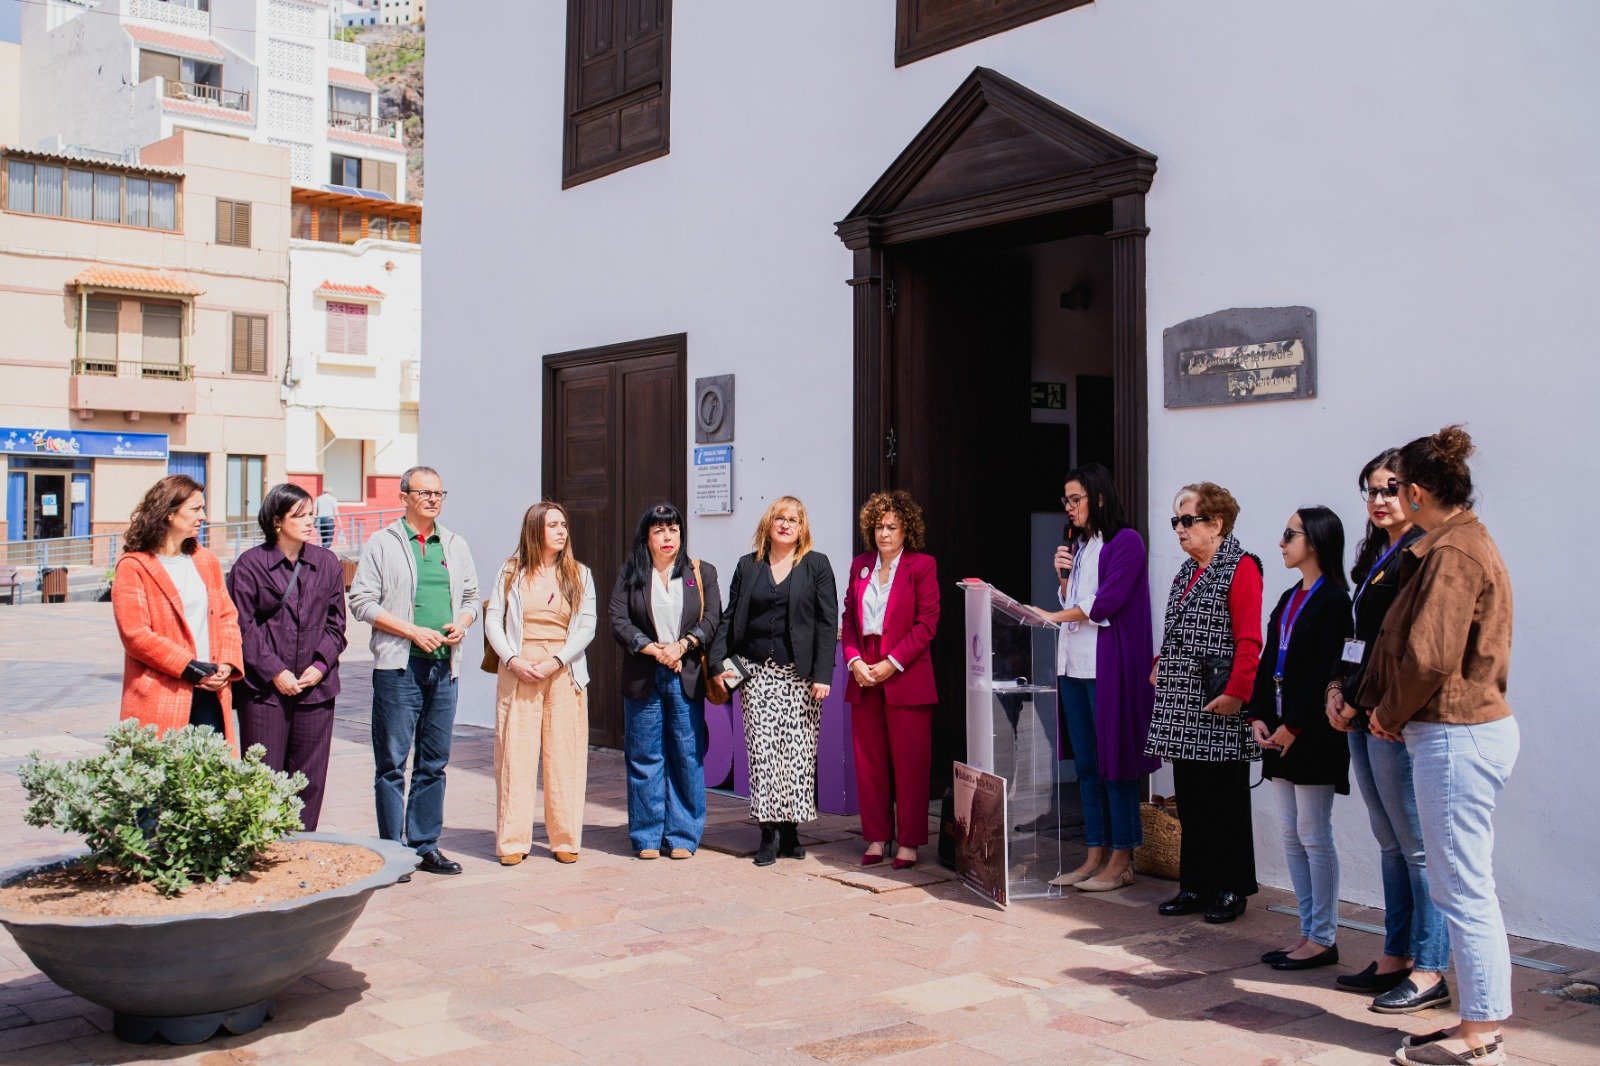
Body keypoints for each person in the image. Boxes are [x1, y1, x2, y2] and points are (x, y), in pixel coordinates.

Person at [1357, 426, 1516, 1066]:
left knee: (1463, 891)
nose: (1390, 497)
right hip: (1455, 733)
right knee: (1463, 887)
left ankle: (1481, 1035)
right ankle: (1479, 1023)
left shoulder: (1454, 551)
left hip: (1455, 734)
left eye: (1398, 486)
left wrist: (1387, 715)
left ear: (1418, 492)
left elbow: (1428, 657)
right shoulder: (1450, 544)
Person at [1325, 450, 1447, 1009]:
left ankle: (1431, 967)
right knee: (1391, 843)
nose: (1378, 500)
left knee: (1417, 848)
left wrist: (1373, 706)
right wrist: (1337, 688)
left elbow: (1409, 649)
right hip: (1361, 710)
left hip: (1389, 719)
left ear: (1414, 491)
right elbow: (1359, 638)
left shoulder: (1421, 552)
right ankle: (1396, 955)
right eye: (1371, 490)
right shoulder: (1377, 552)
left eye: (1389, 488)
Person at [1031, 463, 1159, 893]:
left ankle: (1122, 858)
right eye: (1065, 500)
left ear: (1098, 498)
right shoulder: (1081, 545)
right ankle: (1093, 854)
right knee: (1087, 766)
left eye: (1076, 499)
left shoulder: (1126, 542)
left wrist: (1052, 615)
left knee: (1115, 764)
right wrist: (1062, 580)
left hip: (1108, 669)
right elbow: (1077, 599)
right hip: (1073, 667)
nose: (1068, 507)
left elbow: (1105, 602)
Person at [349, 466, 479, 876]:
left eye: (439, 493)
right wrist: (411, 631)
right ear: (404, 496)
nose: (433, 500)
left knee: (434, 762)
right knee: (392, 762)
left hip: (444, 667)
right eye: (425, 493)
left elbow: (472, 596)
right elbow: (361, 602)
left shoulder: (454, 544)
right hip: (399, 667)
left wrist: (463, 622)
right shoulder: (382, 543)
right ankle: (394, 852)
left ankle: (424, 846)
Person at [1144, 482, 1263, 924]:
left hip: (1218, 701)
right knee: (1192, 799)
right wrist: (1160, 662)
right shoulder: (1185, 571)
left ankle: (1232, 886)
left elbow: (1249, 638)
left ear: (1216, 523)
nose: (1179, 528)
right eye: (1175, 521)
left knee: (1225, 800)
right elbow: (1179, 631)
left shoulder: (1241, 566)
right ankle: (1195, 883)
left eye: (1187, 520)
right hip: (1183, 703)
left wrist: (1238, 693)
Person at [1248, 506, 1352, 970]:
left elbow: (1328, 671)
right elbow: (1271, 658)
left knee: (1313, 832)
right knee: (1291, 833)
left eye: (1290, 534)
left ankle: (1323, 937)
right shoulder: (1290, 596)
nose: (1282, 542)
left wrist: (1295, 724)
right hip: (1280, 729)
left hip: (1312, 732)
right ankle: (1307, 931)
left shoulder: (1335, 601)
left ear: (1316, 540)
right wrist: (1258, 715)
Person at [709, 496, 837, 867]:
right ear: (768, 524)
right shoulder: (747, 565)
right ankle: (768, 832)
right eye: (779, 517)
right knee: (764, 754)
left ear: (802, 527)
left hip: (800, 676)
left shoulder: (816, 564)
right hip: (756, 673)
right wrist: (718, 663)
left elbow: (827, 622)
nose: (785, 524)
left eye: (792, 519)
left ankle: (791, 830)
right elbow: (731, 616)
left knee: (797, 755)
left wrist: (823, 675)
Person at [227, 483, 349, 830]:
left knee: (309, 778)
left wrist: (320, 665)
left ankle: (302, 842)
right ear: (277, 521)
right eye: (300, 515)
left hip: (316, 689)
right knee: (263, 774)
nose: (310, 521)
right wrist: (275, 671)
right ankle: (264, 844)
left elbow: (336, 624)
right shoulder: (250, 565)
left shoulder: (326, 563)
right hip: (264, 692)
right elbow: (242, 626)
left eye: (311, 514)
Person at [485, 501, 596, 865]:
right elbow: (494, 620)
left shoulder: (579, 573)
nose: (562, 531)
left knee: (565, 755)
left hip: (563, 669)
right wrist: (512, 659)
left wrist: (555, 660)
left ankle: (564, 838)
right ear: (535, 530)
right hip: (519, 668)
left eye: (563, 524)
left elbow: (587, 625)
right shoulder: (511, 571)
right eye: (553, 525)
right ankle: (512, 842)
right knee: (514, 755)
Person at [608, 503, 722, 860]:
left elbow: (712, 617)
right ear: (647, 537)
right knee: (644, 755)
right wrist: (651, 648)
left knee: (686, 755)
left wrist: (682, 645)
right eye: (659, 530)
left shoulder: (700, 572)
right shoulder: (631, 573)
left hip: (684, 672)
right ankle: (646, 835)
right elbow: (618, 619)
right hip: (645, 673)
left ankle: (683, 835)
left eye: (673, 529)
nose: (667, 537)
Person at [840, 490, 939, 870]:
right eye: (879, 526)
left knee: (910, 763)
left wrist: (892, 663)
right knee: (870, 762)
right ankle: (877, 837)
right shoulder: (860, 565)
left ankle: (909, 842)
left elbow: (927, 623)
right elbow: (849, 619)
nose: (884, 533)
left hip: (906, 673)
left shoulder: (922, 565)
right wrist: (853, 660)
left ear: (906, 530)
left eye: (892, 527)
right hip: (864, 673)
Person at [111, 475, 243, 753]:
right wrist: (191, 668)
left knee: (211, 773)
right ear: (169, 513)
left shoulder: (206, 561)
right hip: (160, 693)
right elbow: (135, 635)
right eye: (195, 509)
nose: (203, 516)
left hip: (211, 690)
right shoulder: (134, 566)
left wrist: (227, 663)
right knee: (162, 774)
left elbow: (227, 618)